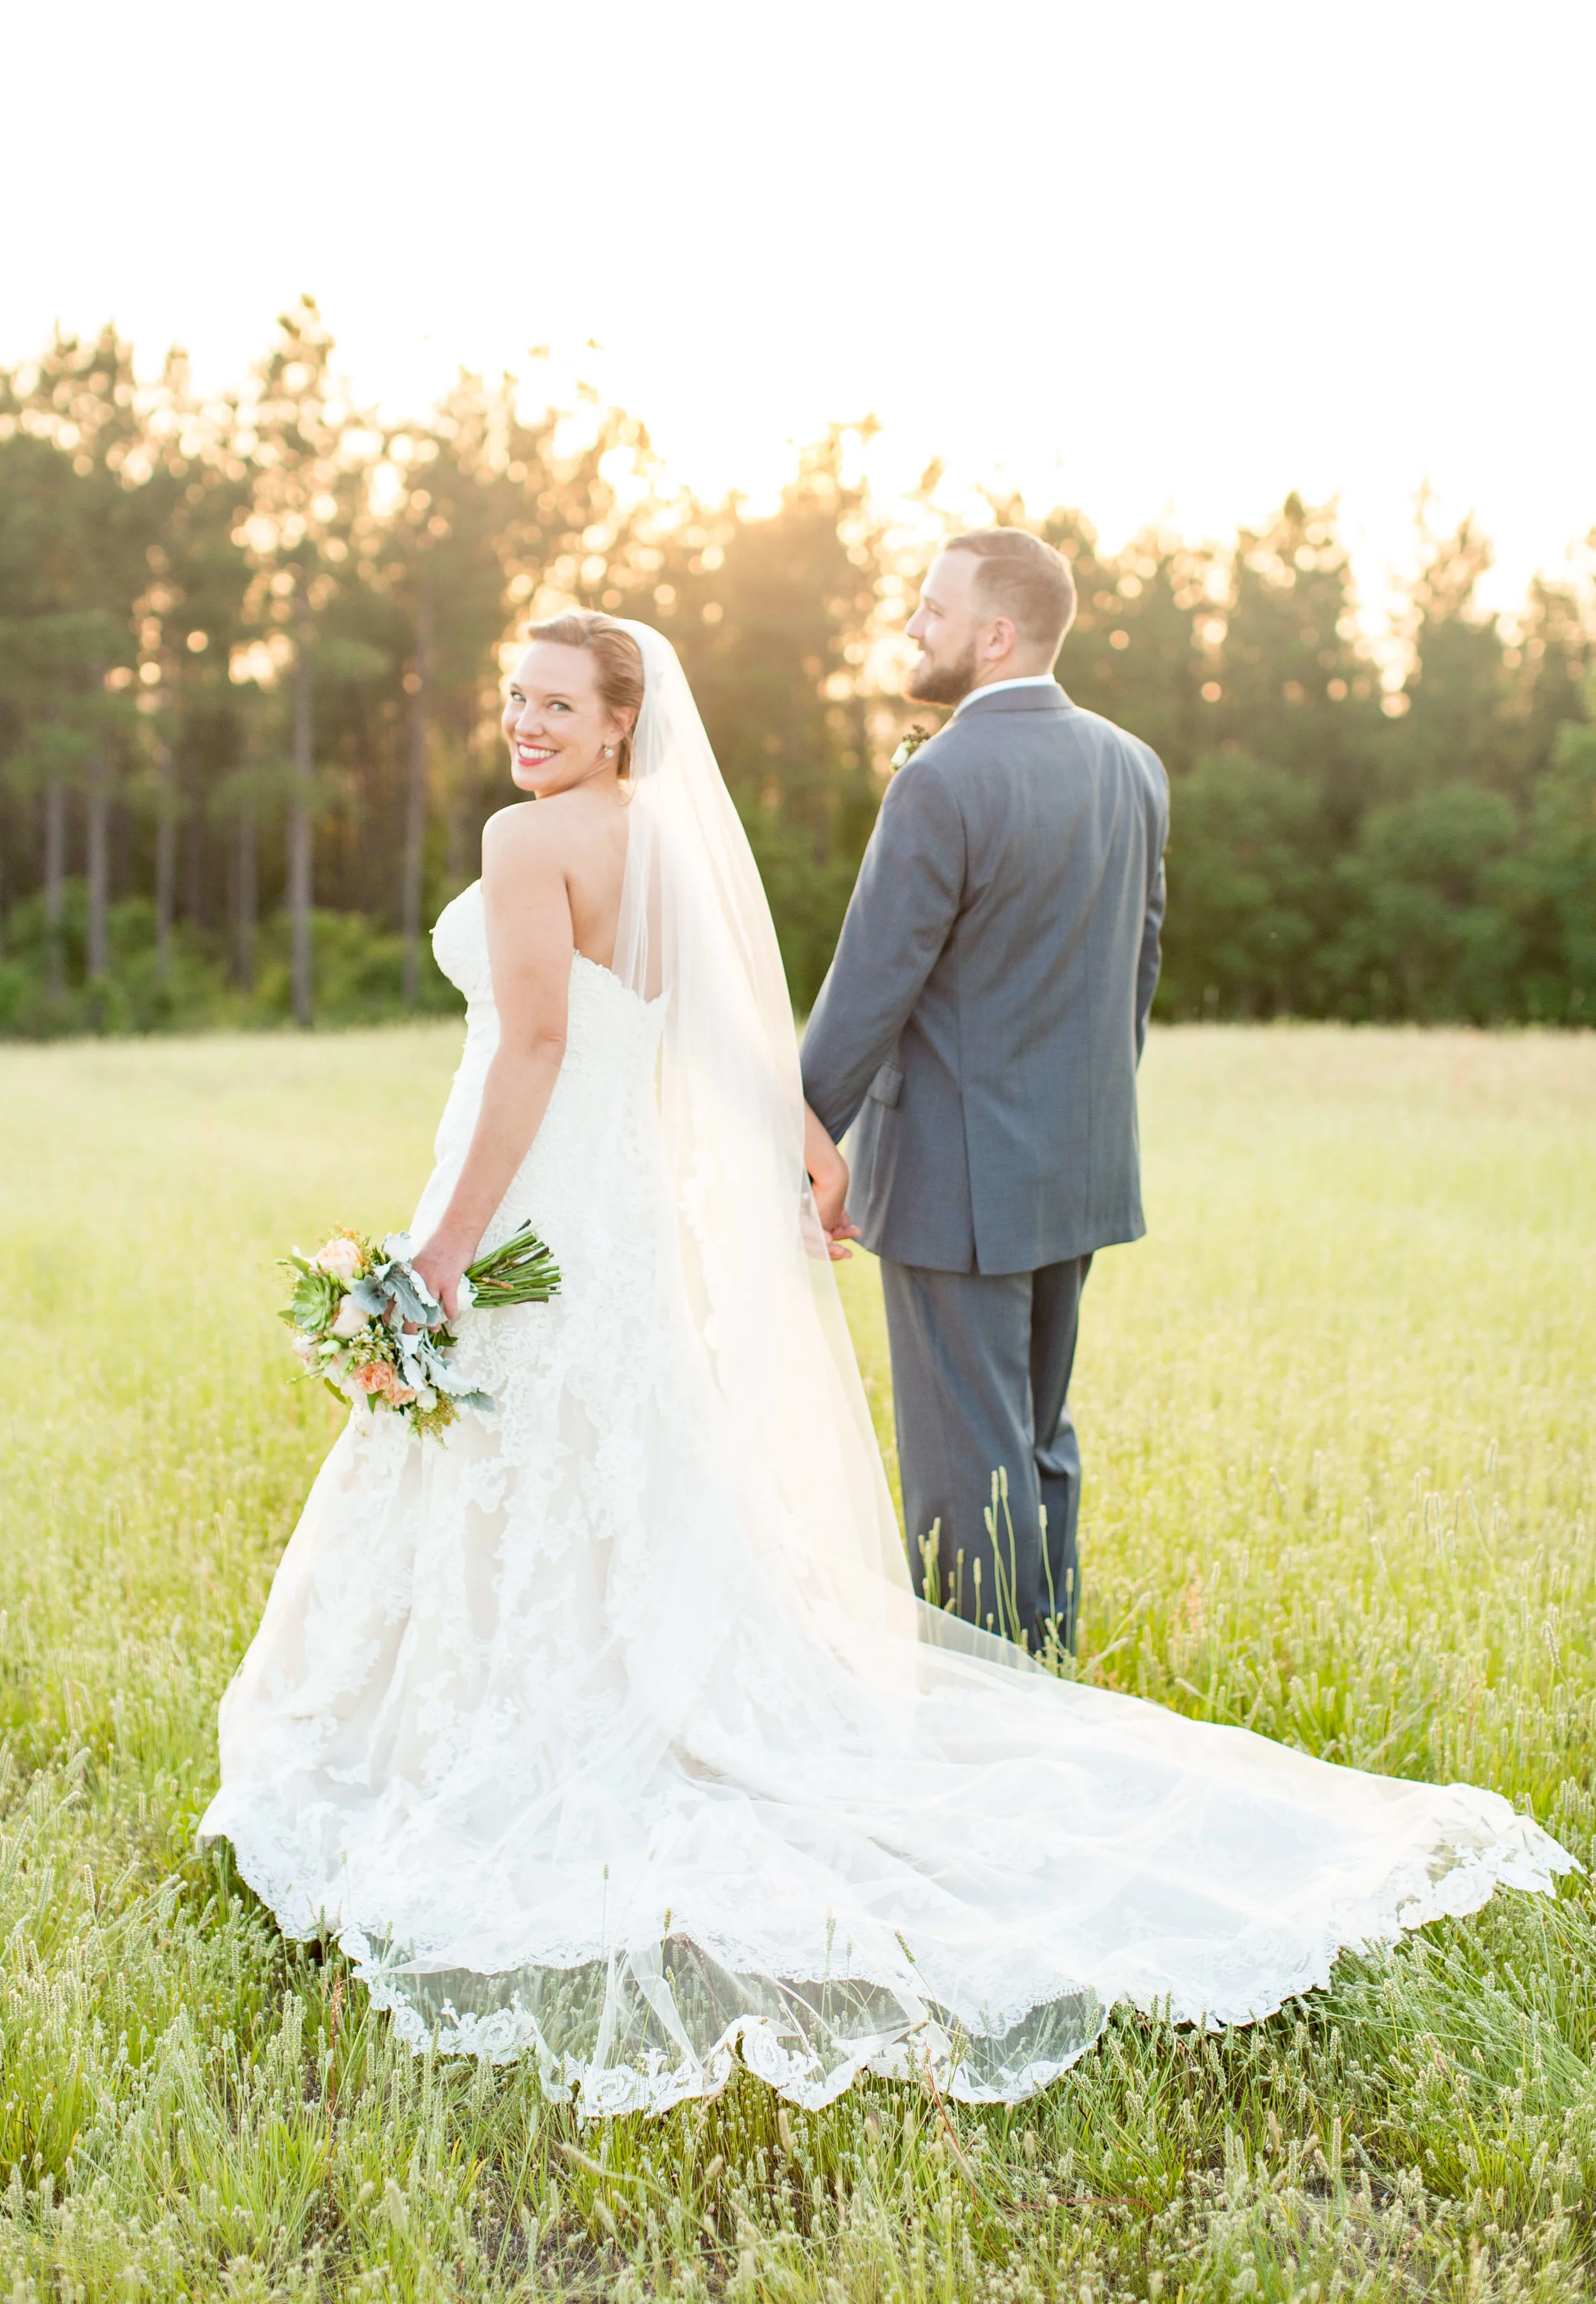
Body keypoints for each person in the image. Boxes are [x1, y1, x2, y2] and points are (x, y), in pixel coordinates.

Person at [200, 610, 1570, 2120]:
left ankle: (503, 1739)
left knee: (514, 1453)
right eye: (511, 695)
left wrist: (439, 1254)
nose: (523, 724)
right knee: (613, 1454)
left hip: (527, 1202)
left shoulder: (527, 845)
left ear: (615, 724)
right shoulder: (659, 839)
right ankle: (631, 1691)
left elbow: (530, 1049)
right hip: (611, 1214)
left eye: (555, 706)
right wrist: (811, 1153)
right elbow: (723, 1036)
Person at [802, 529, 1167, 1654]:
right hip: (1077, 1164)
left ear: (996, 634)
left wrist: (799, 1136)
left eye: (931, 609)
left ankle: (982, 1721)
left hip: (959, 1180)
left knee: (969, 1465)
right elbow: (1139, 968)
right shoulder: (1133, 765)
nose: (913, 625)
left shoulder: (942, 779)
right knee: (1037, 1439)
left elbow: (871, 985)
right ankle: (1042, 1670)